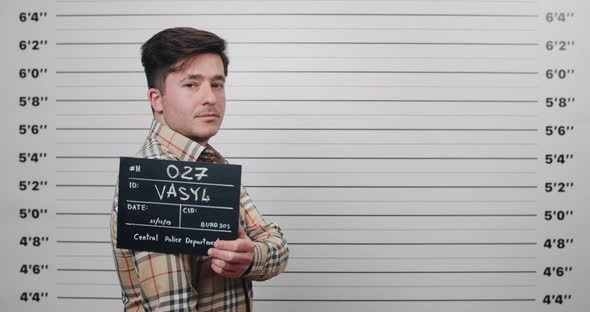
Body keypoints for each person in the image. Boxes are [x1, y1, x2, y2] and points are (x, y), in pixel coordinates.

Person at [110, 27, 289, 311]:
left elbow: (276, 243)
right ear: (156, 99)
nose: (210, 98)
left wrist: (251, 256)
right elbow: (174, 306)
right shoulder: (152, 177)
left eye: (217, 84)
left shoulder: (210, 163)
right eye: (191, 84)